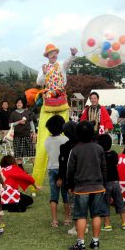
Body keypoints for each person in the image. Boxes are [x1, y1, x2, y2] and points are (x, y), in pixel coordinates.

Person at [32, 44, 77, 190]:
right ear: (47, 55)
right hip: (49, 103)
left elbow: (68, 63)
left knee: (65, 132)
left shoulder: (61, 65)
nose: (53, 55)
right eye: (51, 53)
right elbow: (39, 82)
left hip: (61, 102)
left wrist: (72, 55)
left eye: (55, 53)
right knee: (44, 138)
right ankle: (37, 181)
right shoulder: (44, 67)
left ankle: (69, 173)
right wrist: (44, 73)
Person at [67, 121, 106, 250]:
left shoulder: (75, 150)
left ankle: (81, 243)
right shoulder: (99, 148)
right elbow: (103, 168)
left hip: (81, 188)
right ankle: (95, 242)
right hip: (98, 186)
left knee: (81, 215)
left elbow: (70, 170)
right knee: (96, 215)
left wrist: (70, 186)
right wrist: (103, 184)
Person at [97, 134, 125, 231]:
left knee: (105, 203)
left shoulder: (100, 155)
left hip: (106, 183)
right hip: (115, 182)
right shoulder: (115, 154)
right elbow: (115, 163)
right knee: (119, 202)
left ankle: (107, 224)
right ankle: (124, 222)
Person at [45, 115, 70, 227]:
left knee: (53, 196)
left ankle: (54, 220)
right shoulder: (65, 139)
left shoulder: (47, 141)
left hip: (51, 168)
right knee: (66, 195)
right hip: (63, 169)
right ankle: (67, 219)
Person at [56, 121, 80, 235]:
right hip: (84, 178)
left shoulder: (65, 147)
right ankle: (83, 223)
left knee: (74, 203)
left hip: (71, 179)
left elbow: (62, 164)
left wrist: (60, 177)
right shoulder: (82, 145)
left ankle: (77, 227)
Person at [9, 96, 36, 165]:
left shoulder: (27, 112)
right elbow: (10, 125)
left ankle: (35, 170)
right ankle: (21, 171)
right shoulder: (13, 113)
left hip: (27, 136)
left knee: (32, 154)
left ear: (23, 104)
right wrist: (18, 122)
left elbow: (31, 123)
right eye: (17, 103)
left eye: (20, 103)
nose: (19, 104)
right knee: (19, 156)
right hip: (17, 136)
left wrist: (34, 132)